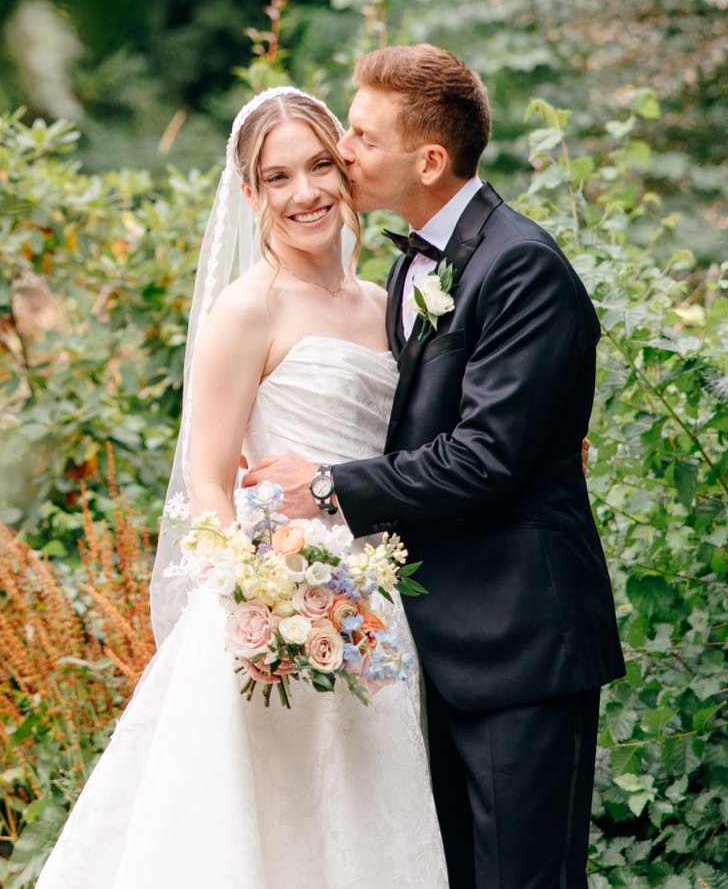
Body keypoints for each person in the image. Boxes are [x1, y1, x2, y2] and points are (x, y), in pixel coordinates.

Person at [36, 86, 450, 889]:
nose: (306, 193)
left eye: (320, 166)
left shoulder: (387, 303)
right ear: (252, 195)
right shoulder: (246, 311)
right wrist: (262, 598)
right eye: (278, 177)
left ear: (345, 168)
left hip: (378, 608)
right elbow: (208, 480)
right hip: (278, 606)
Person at [247, 44, 624, 889]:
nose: (342, 150)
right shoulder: (412, 264)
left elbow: (485, 455)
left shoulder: (520, 265)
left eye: (362, 136)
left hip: (520, 638)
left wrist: (326, 486)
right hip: (436, 638)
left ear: (428, 161)